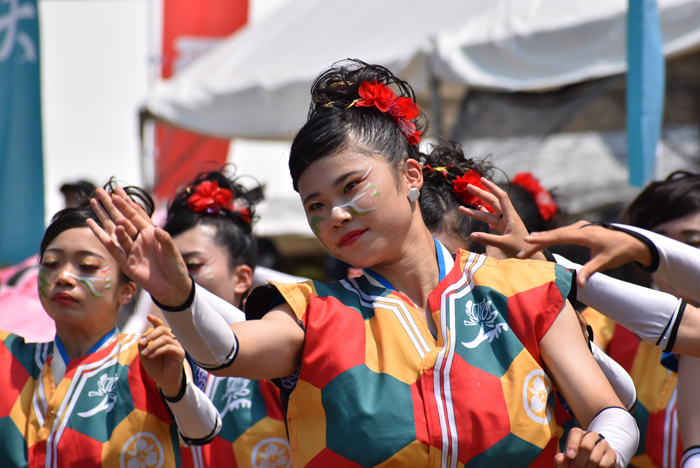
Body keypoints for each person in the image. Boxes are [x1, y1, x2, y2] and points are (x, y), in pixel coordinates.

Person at [88, 60, 638, 468]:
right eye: (316, 206)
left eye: (352, 186)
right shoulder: (311, 311)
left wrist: (603, 449)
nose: (337, 215)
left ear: (411, 177)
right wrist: (177, 296)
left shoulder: (524, 290)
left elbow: (610, 412)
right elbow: (224, 351)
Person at [0, 184, 221, 467]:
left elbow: (204, 429)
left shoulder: (151, 357)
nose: (64, 276)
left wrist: (174, 386)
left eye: (88, 266)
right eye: (52, 263)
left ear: (127, 290)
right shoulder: (9, 358)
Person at [520, 172, 700, 468]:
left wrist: (550, 267)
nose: (674, 264)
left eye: (692, 243)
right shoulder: (605, 323)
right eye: (661, 240)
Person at [162, 169, 290, 468]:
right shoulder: (152, 359)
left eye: (190, 264)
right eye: (166, 265)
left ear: (242, 277)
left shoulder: (282, 357)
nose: (174, 277)